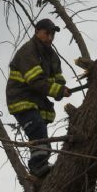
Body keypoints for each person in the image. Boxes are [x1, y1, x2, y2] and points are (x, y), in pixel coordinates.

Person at [6, 18, 71, 177]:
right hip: (21, 98)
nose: (50, 38)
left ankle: (42, 168)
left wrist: (61, 89)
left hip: (37, 101)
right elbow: (36, 81)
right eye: (46, 33)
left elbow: (58, 78)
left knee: (41, 134)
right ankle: (37, 167)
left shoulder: (51, 55)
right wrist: (58, 91)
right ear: (37, 31)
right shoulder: (28, 51)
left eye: (52, 35)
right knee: (37, 129)